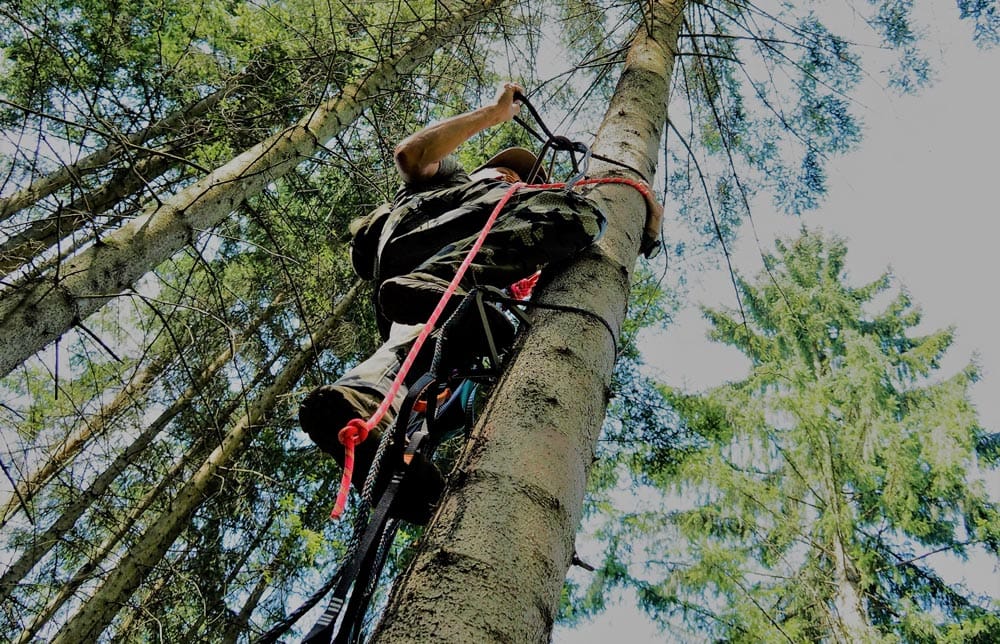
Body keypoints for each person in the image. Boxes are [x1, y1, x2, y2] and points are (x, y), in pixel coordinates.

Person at [299, 83, 662, 523]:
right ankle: (438, 289)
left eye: (524, 179)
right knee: (580, 215)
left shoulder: (506, 241)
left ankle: (372, 422)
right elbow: (410, 155)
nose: (516, 182)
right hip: (432, 244)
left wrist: (644, 221)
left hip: (437, 289)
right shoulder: (455, 181)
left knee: (417, 349)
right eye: (505, 173)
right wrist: (492, 114)